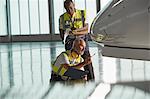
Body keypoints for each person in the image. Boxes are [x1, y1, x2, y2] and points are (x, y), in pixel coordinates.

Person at [59, 0, 95, 81]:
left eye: (71, 8)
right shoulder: (62, 18)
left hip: (82, 42)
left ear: (74, 5)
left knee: (87, 62)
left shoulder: (82, 13)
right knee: (72, 63)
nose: (70, 10)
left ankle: (91, 80)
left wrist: (76, 32)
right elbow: (61, 31)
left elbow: (86, 29)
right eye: (67, 9)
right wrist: (64, 37)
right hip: (70, 43)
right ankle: (73, 81)